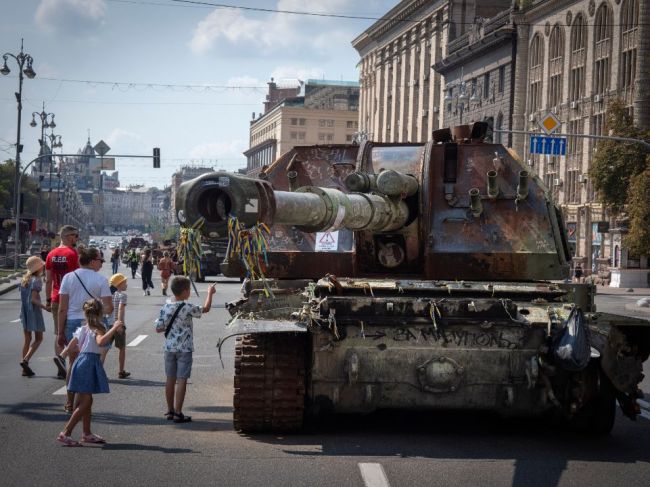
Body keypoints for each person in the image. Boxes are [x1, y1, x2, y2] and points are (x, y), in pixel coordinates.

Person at [56, 299, 124, 447]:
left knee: (86, 400)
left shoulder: (84, 328)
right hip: (88, 363)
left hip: (80, 362)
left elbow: (72, 343)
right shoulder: (98, 328)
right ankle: (66, 433)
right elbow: (101, 342)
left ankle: (86, 433)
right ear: (100, 313)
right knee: (86, 401)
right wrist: (114, 328)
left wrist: (63, 355)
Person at [58, 246, 113, 414]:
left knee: (73, 364)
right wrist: (95, 312)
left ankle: (69, 402)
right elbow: (109, 308)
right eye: (100, 260)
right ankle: (83, 403)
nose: (102, 264)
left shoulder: (68, 277)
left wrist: (60, 332)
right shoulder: (101, 280)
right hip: (93, 325)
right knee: (88, 363)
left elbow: (62, 308)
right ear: (91, 261)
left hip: (72, 323)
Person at [154, 276, 216, 423]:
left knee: (170, 379)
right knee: (182, 380)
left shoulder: (166, 306)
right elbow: (205, 309)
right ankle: (178, 412)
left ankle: (169, 410)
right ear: (185, 291)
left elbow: (158, 328)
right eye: (189, 290)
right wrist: (210, 293)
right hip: (185, 349)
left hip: (169, 348)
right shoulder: (187, 307)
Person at [45, 225, 80, 379]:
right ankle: (73, 364)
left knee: (58, 333)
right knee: (73, 332)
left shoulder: (50, 255)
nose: (76, 239)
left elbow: (48, 280)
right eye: (74, 236)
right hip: (70, 299)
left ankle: (60, 361)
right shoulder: (72, 254)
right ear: (67, 236)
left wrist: (47, 299)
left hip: (55, 298)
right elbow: (76, 277)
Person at [19, 256, 50, 377]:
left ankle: (24, 369)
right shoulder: (36, 280)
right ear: (38, 268)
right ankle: (25, 360)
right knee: (39, 338)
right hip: (33, 312)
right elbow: (33, 299)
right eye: (41, 265)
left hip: (25, 312)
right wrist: (45, 307)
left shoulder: (24, 279)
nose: (43, 266)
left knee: (27, 339)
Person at [103, 273, 130, 379]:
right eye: (125, 283)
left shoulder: (108, 296)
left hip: (107, 325)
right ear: (119, 284)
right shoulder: (122, 295)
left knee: (104, 349)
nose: (126, 285)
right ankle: (121, 370)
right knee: (121, 348)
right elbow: (120, 309)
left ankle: (99, 371)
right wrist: (119, 323)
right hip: (117, 324)